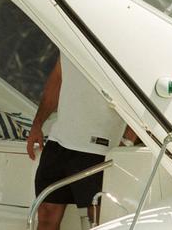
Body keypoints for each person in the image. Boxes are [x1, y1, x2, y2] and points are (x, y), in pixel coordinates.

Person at [26, 53, 132, 230]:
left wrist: (127, 142)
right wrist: (37, 124)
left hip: (99, 148)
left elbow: (145, 100)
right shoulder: (70, 38)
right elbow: (57, 80)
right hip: (59, 140)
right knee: (46, 214)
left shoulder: (124, 46)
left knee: (99, 219)